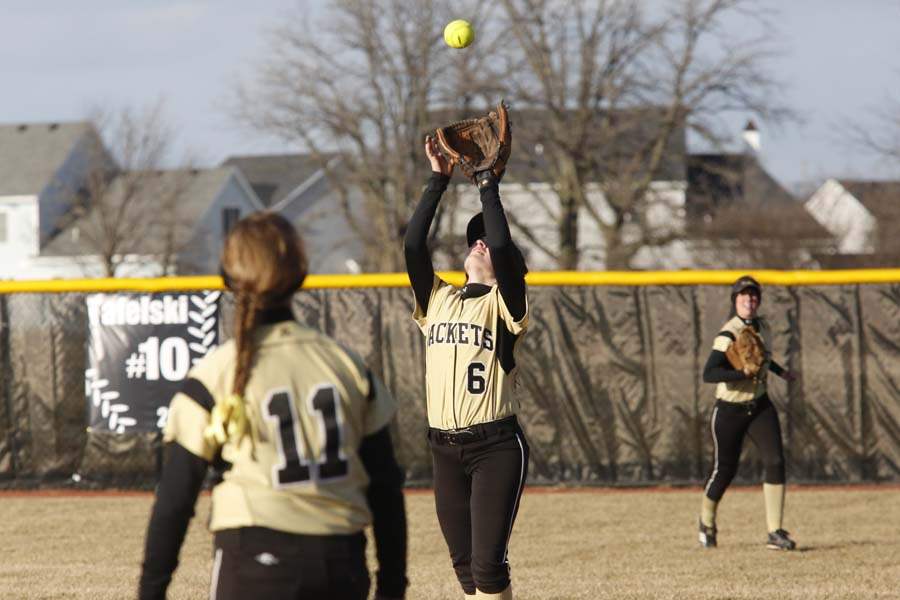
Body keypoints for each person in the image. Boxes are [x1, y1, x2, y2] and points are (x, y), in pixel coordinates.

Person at [138, 212, 407, 600]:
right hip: (341, 561)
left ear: (228, 277)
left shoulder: (217, 372)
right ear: (300, 274)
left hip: (255, 560)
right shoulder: (346, 364)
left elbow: (175, 501)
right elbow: (385, 487)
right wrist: (393, 587)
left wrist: (151, 591)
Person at [404, 136, 529, 599]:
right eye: (474, 239)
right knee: (465, 570)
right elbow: (413, 245)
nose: (481, 243)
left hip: (495, 447)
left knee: (488, 567)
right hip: (443, 449)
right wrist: (437, 181)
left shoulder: (505, 304)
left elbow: (501, 240)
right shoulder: (438, 298)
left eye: (487, 242)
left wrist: (486, 184)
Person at [698, 275, 799, 551]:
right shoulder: (728, 334)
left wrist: (780, 372)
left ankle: (775, 532)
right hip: (729, 410)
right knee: (725, 470)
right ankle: (706, 521)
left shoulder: (763, 327)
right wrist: (740, 373)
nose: (749, 300)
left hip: (759, 405)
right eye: (744, 295)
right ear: (735, 300)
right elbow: (709, 373)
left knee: (775, 461)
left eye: (753, 295)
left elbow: (762, 357)